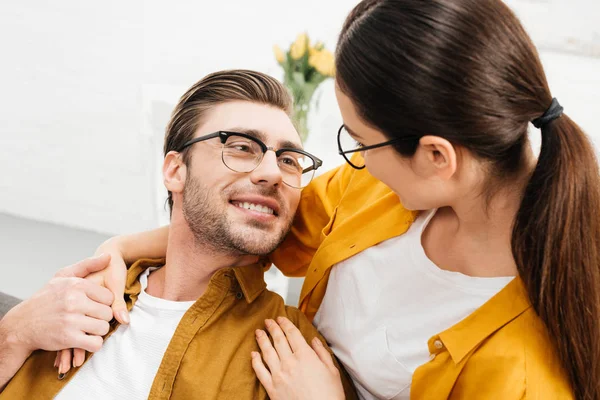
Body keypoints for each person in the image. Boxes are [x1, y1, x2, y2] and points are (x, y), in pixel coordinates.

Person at [76, 0, 600, 398]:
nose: (357, 159)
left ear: (437, 157)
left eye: (359, 140)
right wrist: (120, 248)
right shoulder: (382, 190)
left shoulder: (522, 371)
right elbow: (255, 224)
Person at [0, 70, 356, 400]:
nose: (272, 172)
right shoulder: (77, 296)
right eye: (241, 146)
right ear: (175, 171)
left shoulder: (300, 360)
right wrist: (12, 334)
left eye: (289, 160)